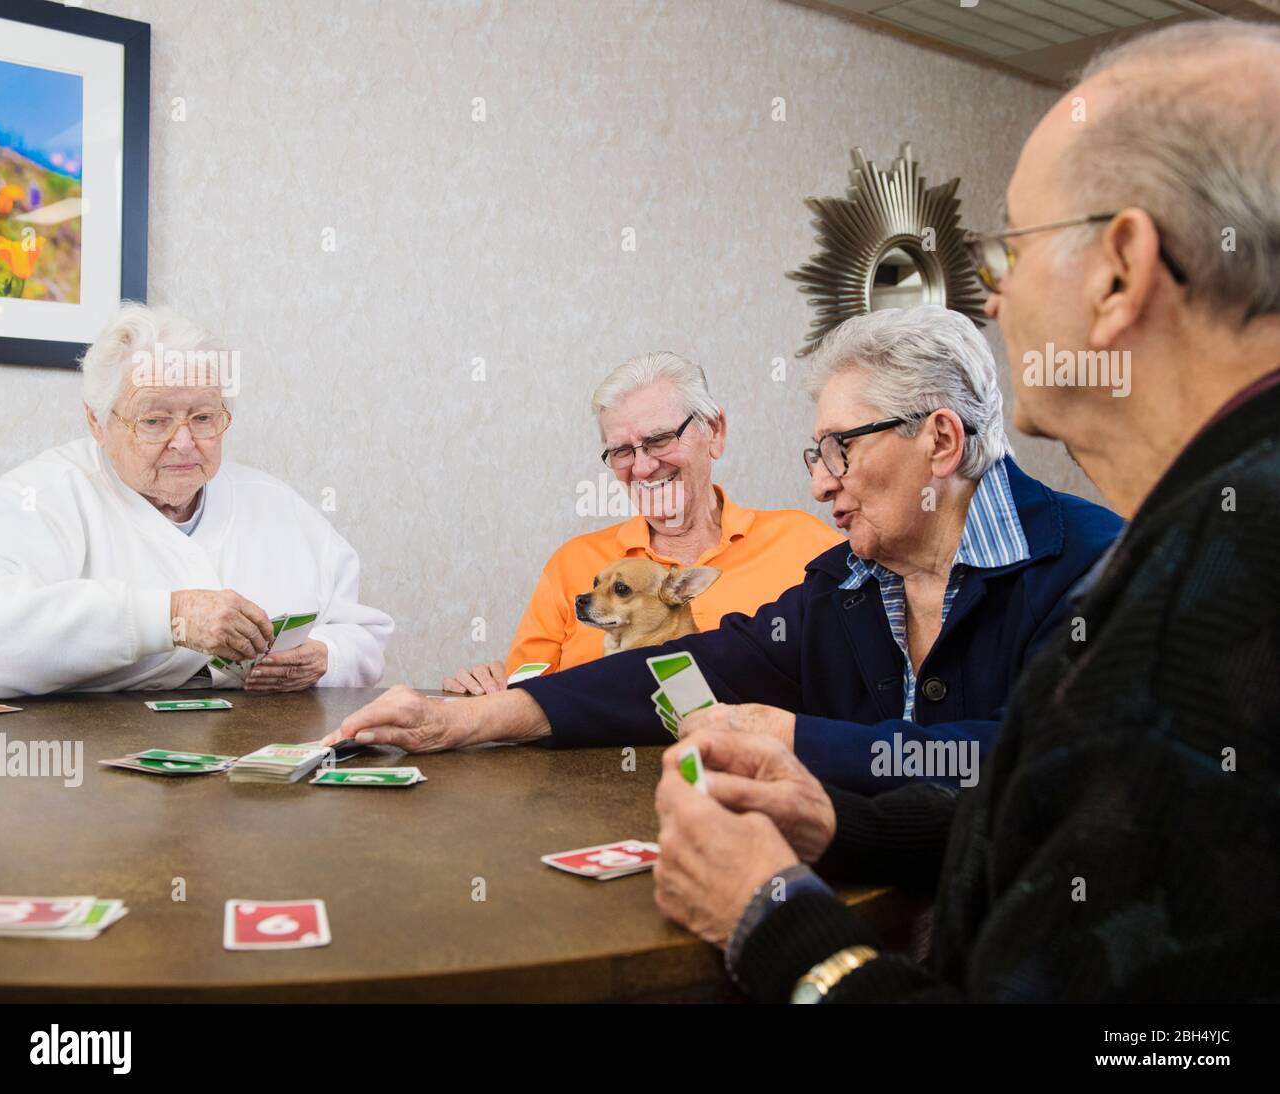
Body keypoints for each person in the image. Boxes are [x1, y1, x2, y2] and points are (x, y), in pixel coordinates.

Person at [652, 19, 1280, 1002]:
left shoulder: (1200, 598)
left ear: (1119, 268)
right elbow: (1072, 815)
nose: (993, 303)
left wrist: (769, 912)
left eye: (1011, 254)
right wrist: (844, 823)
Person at [326, 306, 1121, 793]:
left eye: (840, 450)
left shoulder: (1096, 565)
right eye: (818, 456)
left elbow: (1037, 760)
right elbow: (679, 672)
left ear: (940, 439)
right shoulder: (846, 584)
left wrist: (792, 738)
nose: (822, 484)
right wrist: (459, 722)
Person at [0, 303, 392, 698]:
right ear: (97, 421)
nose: (184, 443)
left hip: (252, 748)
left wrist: (328, 657)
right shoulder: (41, 496)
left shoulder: (276, 503)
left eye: (203, 418)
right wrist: (169, 616)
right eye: (155, 421)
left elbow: (362, 636)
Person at [442, 350, 840, 693]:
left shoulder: (807, 545)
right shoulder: (573, 563)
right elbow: (526, 694)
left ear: (714, 432)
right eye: (621, 451)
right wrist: (488, 687)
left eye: (660, 440)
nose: (644, 467)